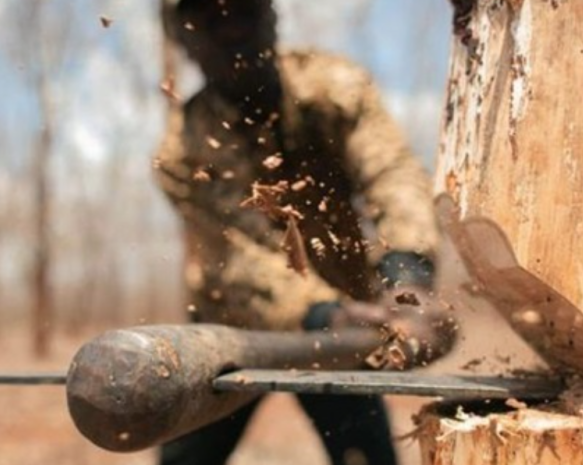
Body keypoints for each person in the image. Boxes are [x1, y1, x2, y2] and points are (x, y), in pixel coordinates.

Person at [154, 1, 457, 463]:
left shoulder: (334, 88)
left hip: (345, 326)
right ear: (182, 37)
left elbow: (392, 174)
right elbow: (236, 259)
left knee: (366, 458)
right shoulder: (181, 152)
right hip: (232, 329)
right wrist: (324, 314)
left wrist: (407, 278)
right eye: (210, 18)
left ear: (272, 16)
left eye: (242, 10)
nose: (230, 28)